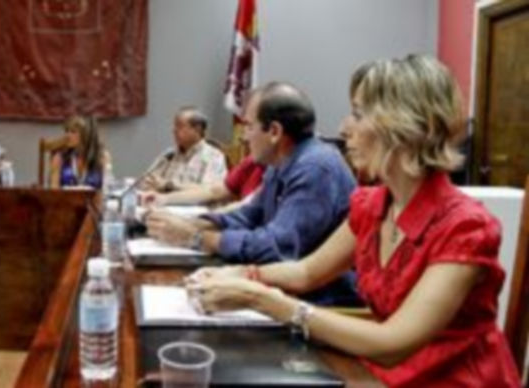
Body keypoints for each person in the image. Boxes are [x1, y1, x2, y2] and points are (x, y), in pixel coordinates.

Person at [188, 55, 522, 387]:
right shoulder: (372, 205)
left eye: (359, 114)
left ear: (405, 127)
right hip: (382, 374)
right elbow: (307, 272)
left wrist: (260, 298)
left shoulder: (466, 228)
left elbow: (392, 343)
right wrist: (242, 273)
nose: (344, 128)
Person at [146, 82, 359, 306]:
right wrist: (192, 224)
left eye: (248, 127)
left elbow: (277, 248)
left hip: (322, 304)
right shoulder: (280, 162)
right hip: (286, 293)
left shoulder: (315, 168)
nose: (243, 138)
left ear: (274, 132)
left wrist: (198, 238)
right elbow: (249, 215)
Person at [139, 107, 227, 192]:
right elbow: (145, 182)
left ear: (197, 129)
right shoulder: (169, 155)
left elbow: (210, 191)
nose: (174, 130)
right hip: (161, 204)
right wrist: (150, 185)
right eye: (174, 126)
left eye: (179, 126)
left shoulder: (214, 156)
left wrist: (169, 186)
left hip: (195, 206)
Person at [49, 115, 111, 189]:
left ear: (86, 135)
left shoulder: (102, 157)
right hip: (65, 200)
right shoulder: (59, 158)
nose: (67, 136)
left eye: (73, 132)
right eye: (66, 131)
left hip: (93, 200)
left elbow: (106, 189)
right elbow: (54, 192)